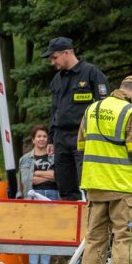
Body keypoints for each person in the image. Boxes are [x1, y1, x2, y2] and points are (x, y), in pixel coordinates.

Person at [76, 75, 132, 264]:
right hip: (123, 188)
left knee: (94, 240)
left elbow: (81, 145)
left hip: (95, 186)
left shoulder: (92, 109)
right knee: (125, 238)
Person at [44, 36, 109, 201]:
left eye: (54, 57)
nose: (53, 62)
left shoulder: (91, 73)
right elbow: (55, 110)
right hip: (60, 138)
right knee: (64, 185)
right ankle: (70, 224)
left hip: (84, 136)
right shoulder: (57, 79)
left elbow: (105, 105)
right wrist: (51, 139)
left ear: (66, 53)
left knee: (88, 184)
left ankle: (94, 224)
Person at [18, 125, 58, 264]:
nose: (42, 139)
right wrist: (47, 174)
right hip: (33, 194)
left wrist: (38, 175)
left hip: (52, 194)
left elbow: (57, 176)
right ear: (33, 139)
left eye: (44, 136)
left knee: (48, 229)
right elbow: (26, 179)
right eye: (39, 136)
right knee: (34, 229)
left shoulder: (54, 156)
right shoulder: (25, 159)